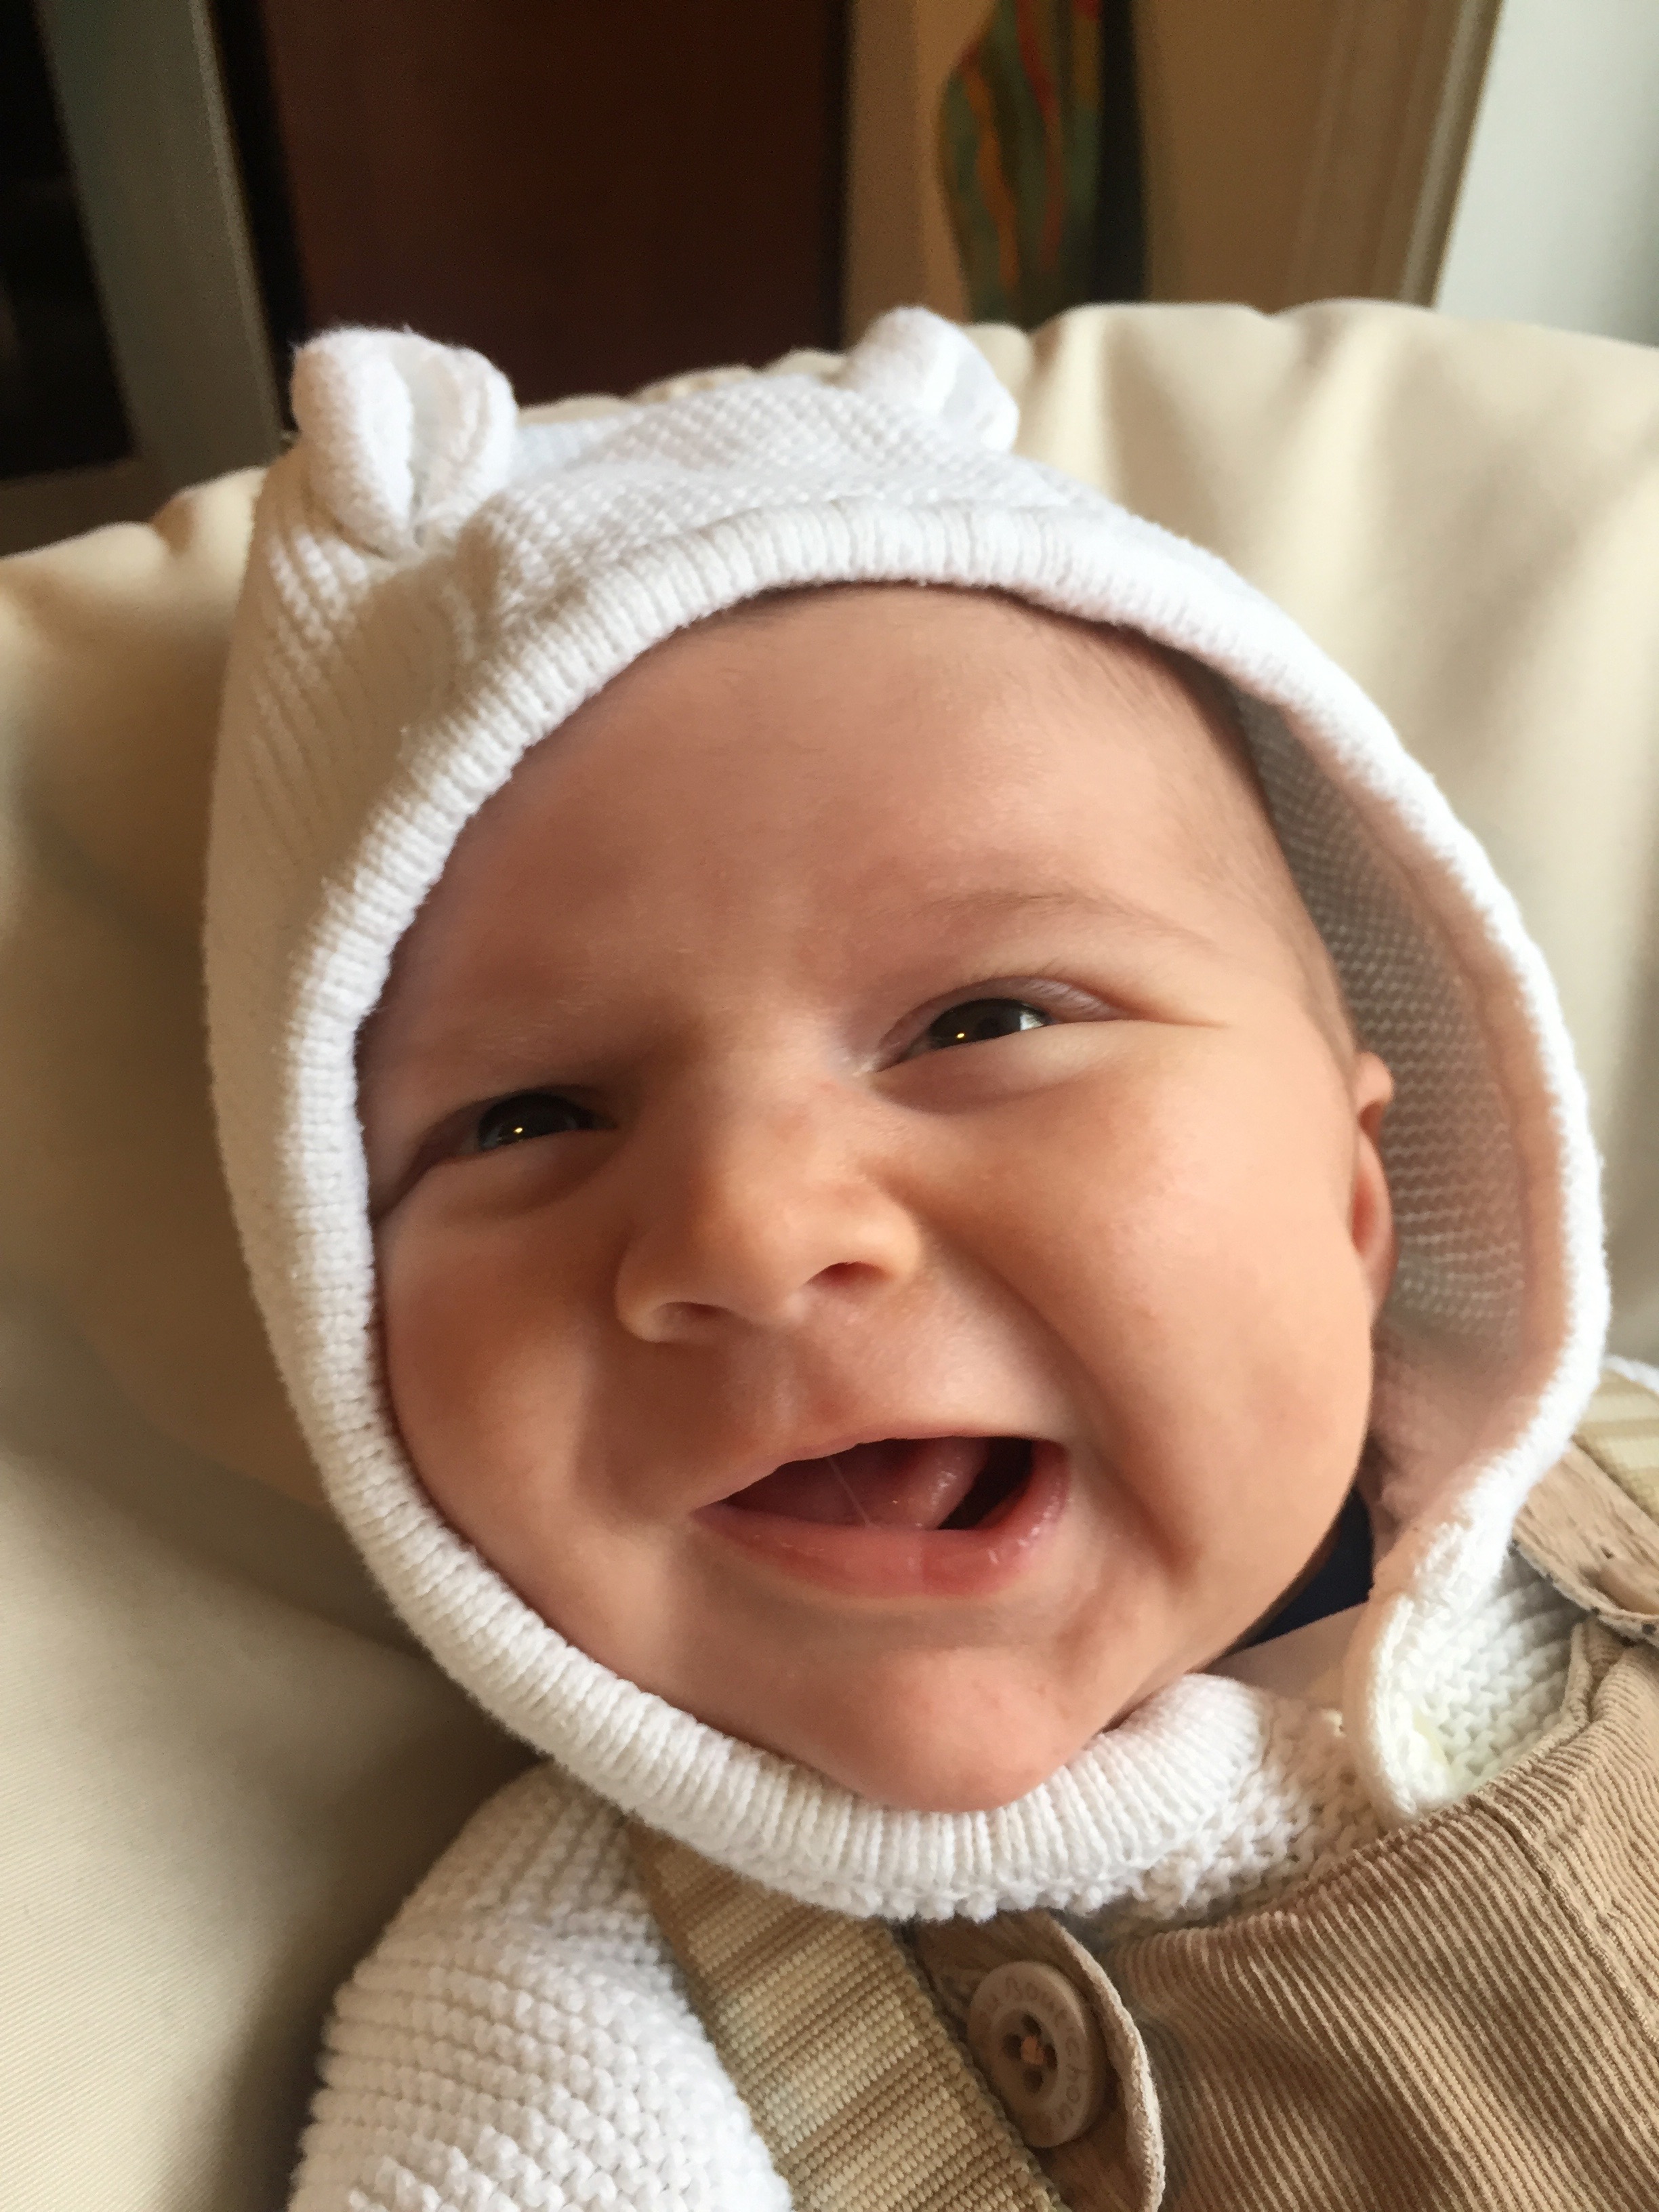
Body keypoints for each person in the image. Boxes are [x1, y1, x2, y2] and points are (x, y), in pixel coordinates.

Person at [206, 309, 1643, 2211]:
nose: (753, 1231)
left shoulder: (1621, 1487)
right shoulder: (570, 2029)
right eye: (529, 1119)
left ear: (1359, 1202)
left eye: (984, 1024)